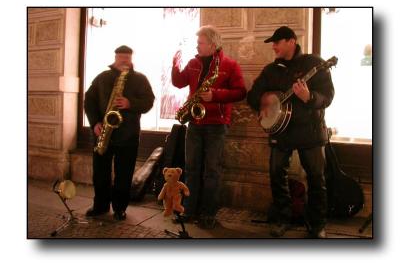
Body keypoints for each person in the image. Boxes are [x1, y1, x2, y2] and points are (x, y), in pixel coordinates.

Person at [247, 26, 335, 238]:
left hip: (310, 132)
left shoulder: (315, 63)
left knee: (316, 178)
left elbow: (328, 96)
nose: (274, 46)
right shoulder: (271, 70)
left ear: (291, 41)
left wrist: (309, 97)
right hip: (280, 132)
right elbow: (252, 96)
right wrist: (265, 104)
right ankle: (282, 218)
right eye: (273, 43)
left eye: (277, 42)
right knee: (276, 174)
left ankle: (317, 225)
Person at [171, 25, 246, 229]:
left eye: (201, 43)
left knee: (212, 170)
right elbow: (179, 83)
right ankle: (189, 210)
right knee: (192, 169)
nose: (197, 46)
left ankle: (208, 213)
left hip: (217, 124)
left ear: (213, 44)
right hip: (195, 123)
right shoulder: (194, 62)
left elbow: (240, 92)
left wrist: (216, 95)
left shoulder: (229, 65)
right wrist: (174, 66)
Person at [84, 45, 155, 221]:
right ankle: (100, 206)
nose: (124, 61)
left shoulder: (140, 79)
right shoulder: (102, 77)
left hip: (128, 135)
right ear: (115, 58)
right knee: (100, 173)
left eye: (128, 58)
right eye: (121, 57)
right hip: (103, 133)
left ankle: (120, 208)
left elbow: (149, 101)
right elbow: (89, 101)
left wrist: (130, 103)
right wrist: (94, 123)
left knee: (124, 174)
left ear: (132, 59)